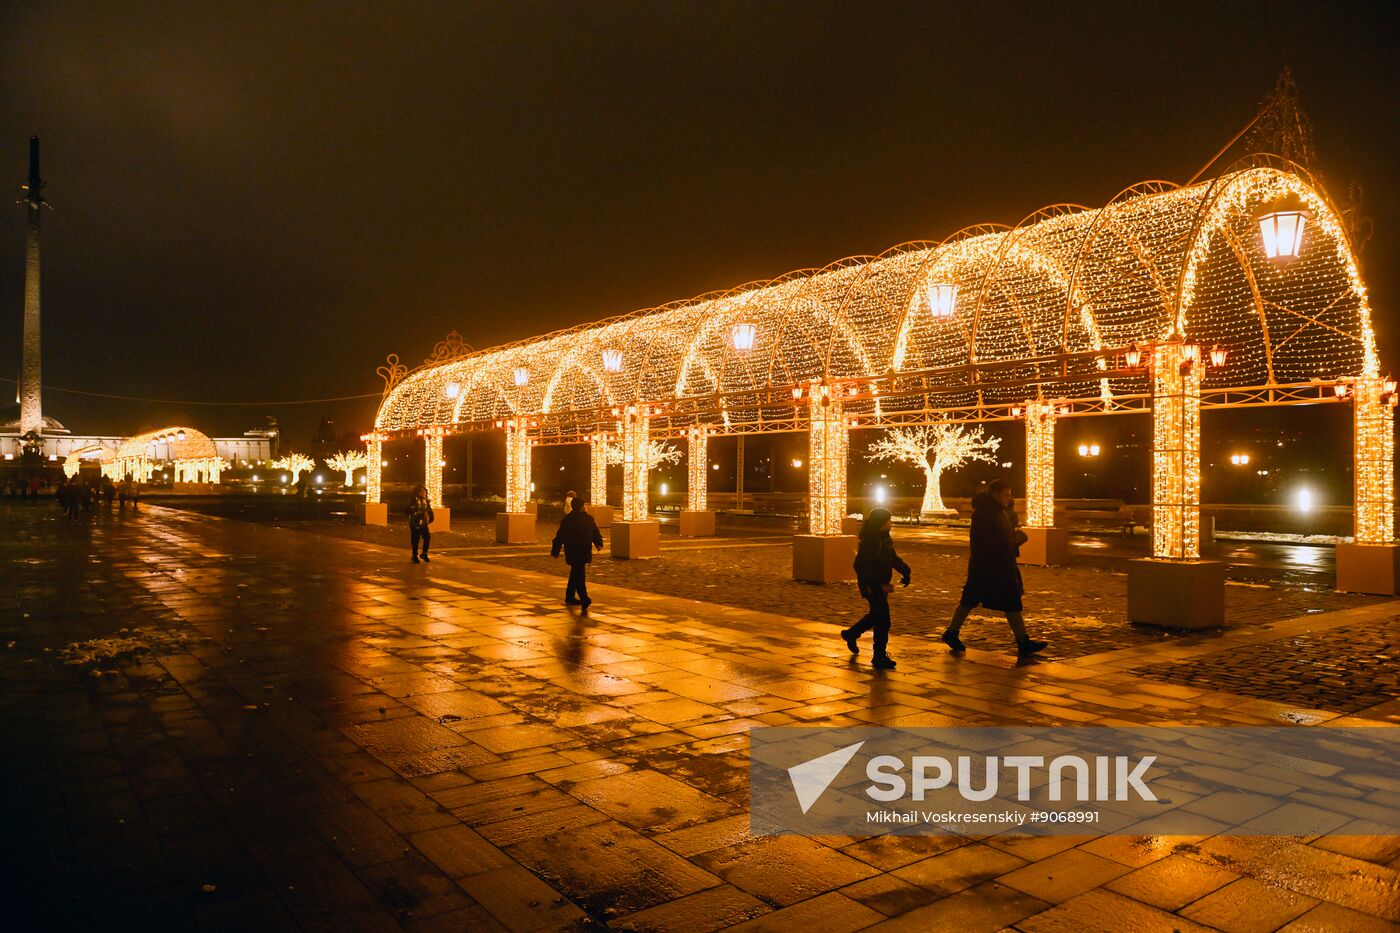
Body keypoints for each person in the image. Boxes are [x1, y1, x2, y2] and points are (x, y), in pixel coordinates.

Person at [941, 479, 1047, 657]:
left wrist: (1013, 542)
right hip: (989, 566)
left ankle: (1022, 641)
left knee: (1003, 602)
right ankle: (1022, 642)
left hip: (995, 565)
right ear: (995, 494)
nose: (1009, 498)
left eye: (1009, 494)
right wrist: (1014, 542)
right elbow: (990, 542)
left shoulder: (998, 512)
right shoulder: (985, 514)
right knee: (974, 600)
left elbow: (1001, 539)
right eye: (1006, 494)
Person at [841, 506, 910, 670]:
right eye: (889, 521)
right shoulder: (871, 541)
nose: (891, 524)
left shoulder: (885, 538)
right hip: (873, 586)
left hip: (883, 585)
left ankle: (851, 634)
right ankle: (878, 655)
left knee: (876, 615)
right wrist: (873, 584)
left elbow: (893, 558)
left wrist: (906, 571)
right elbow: (860, 565)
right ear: (881, 523)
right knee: (883, 620)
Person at [551, 496, 604, 613]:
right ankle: (584, 598)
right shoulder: (570, 520)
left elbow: (595, 532)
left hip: (582, 550)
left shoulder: (586, 519)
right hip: (575, 551)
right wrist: (556, 548)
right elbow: (561, 536)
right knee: (580, 575)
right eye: (584, 505)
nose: (586, 506)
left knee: (576, 573)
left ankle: (569, 596)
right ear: (580, 507)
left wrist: (598, 543)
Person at [406, 485, 434, 563]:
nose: (424, 493)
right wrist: (420, 513)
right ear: (418, 493)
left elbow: (428, 509)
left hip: (423, 523)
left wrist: (431, 516)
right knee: (415, 539)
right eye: (422, 492)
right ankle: (414, 555)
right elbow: (408, 511)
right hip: (415, 523)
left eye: (425, 492)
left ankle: (424, 553)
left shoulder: (426, 501)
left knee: (427, 537)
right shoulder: (413, 501)